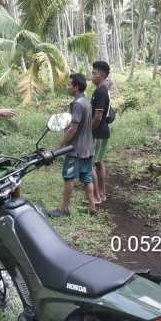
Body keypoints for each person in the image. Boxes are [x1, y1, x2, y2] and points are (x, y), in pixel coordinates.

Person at [49, 73, 96, 218]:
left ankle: (64, 209)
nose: (67, 87)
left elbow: (73, 128)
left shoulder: (77, 104)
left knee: (69, 178)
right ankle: (92, 208)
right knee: (87, 178)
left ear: (76, 87)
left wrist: (60, 145)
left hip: (75, 150)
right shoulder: (86, 101)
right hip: (88, 148)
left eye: (69, 84)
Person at [91, 61, 111, 204]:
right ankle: (102, 194)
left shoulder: (100, 91)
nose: (92, 76)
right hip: (102, 131)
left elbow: (98, 116)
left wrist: (88, 130)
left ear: (102, 75)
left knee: (90, 163)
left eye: (94, 73)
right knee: (98, 163)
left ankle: (97, 197)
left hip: (98, 132)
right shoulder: (103, 90)